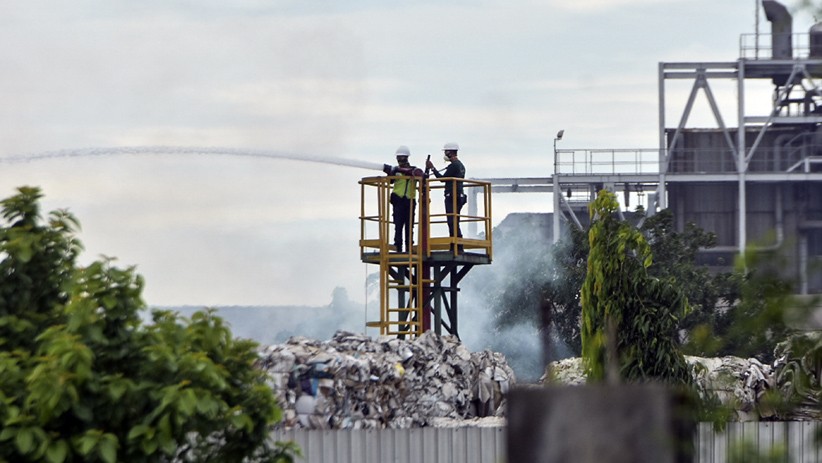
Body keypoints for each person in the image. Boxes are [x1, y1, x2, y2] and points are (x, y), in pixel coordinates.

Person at [426, 142, 466, 253]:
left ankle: (455, 246)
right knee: (455, 220)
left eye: (445, 151)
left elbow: (442, 179)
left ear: (449, 152)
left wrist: (432, 168)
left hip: (452, 196)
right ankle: (458, 246)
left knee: (451, 221)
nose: (445, 153)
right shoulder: (460, 165)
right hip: (459, 196)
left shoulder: (454, 166)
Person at [382, 146, 423, 253]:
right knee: (398, 225)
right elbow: (390, 181)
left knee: (409, 226)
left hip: (409, 201)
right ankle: (398, 248)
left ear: (406, 158)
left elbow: (422, 176)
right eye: (398, 158)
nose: (400, 160)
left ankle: (409, 247)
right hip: (398, 200)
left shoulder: (414, 170)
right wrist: (389, 171)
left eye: (401, 158)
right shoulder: (395, 171)